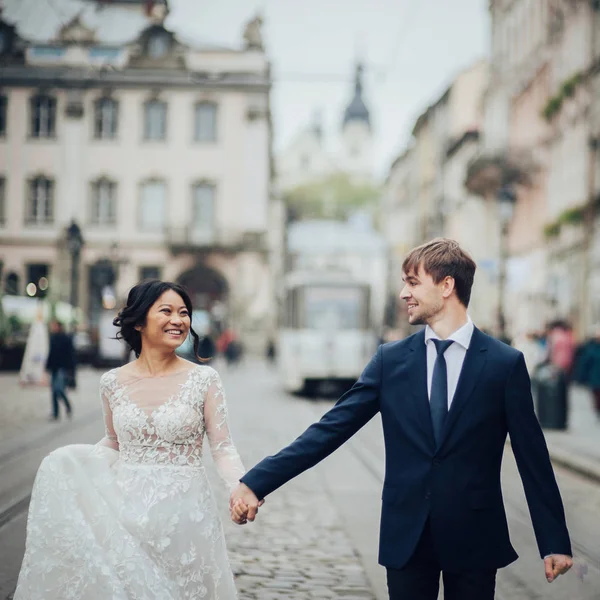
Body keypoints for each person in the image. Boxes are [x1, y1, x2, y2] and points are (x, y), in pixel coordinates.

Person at [230, 238, 572, 600]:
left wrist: (554, 540)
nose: (402, 294)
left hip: (474, 534)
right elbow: (329, 430)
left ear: (446, 285)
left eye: (412, 282)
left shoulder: (504, 364)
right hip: (406, 532)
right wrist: (257, 481)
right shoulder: (390, 361)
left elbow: (532, 456)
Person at [14, 280, 245, 599]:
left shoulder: (205, 380)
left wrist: (240, 488)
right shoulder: (112, 382)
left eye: (184, 313)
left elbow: (222, 446)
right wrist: (74, 467)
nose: (178, 320)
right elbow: (113, 441)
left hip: (185, 515)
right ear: (139, 321)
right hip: (123, 511)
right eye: (166, 311)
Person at [45, 320, 75, 421]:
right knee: (53, 392)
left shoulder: (66, 338)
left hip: (63, 367)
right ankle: (55, 413)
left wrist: (71, 369)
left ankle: (67, 405)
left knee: (59, 389)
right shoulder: (52, 338)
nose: (52, 328)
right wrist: (47, 366)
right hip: (54, 367)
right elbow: (51, 353)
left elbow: (70, 355)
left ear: (59, 327)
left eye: (54, 326)